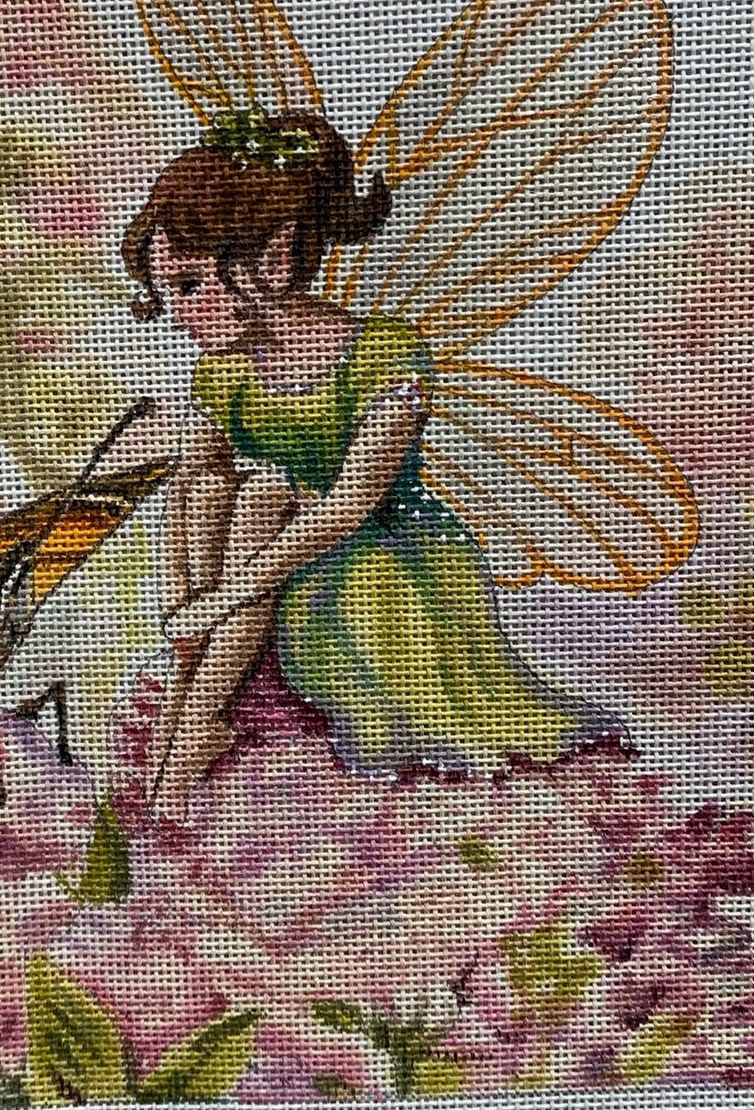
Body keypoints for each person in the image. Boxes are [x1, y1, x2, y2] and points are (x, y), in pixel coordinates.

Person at [120, 106, 613, 815]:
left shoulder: (384, 355)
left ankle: (194, 729)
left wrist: (222, 597)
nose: (176, 313)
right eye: (165, 293)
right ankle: (187, 711)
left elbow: (350, 503)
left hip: (378, 550)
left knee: (262, 495)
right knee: (225, 489)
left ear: (273, 259)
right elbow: (192, 482)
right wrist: (183, 601)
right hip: (256, 551)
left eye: (190, 286)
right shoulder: (223, 373)